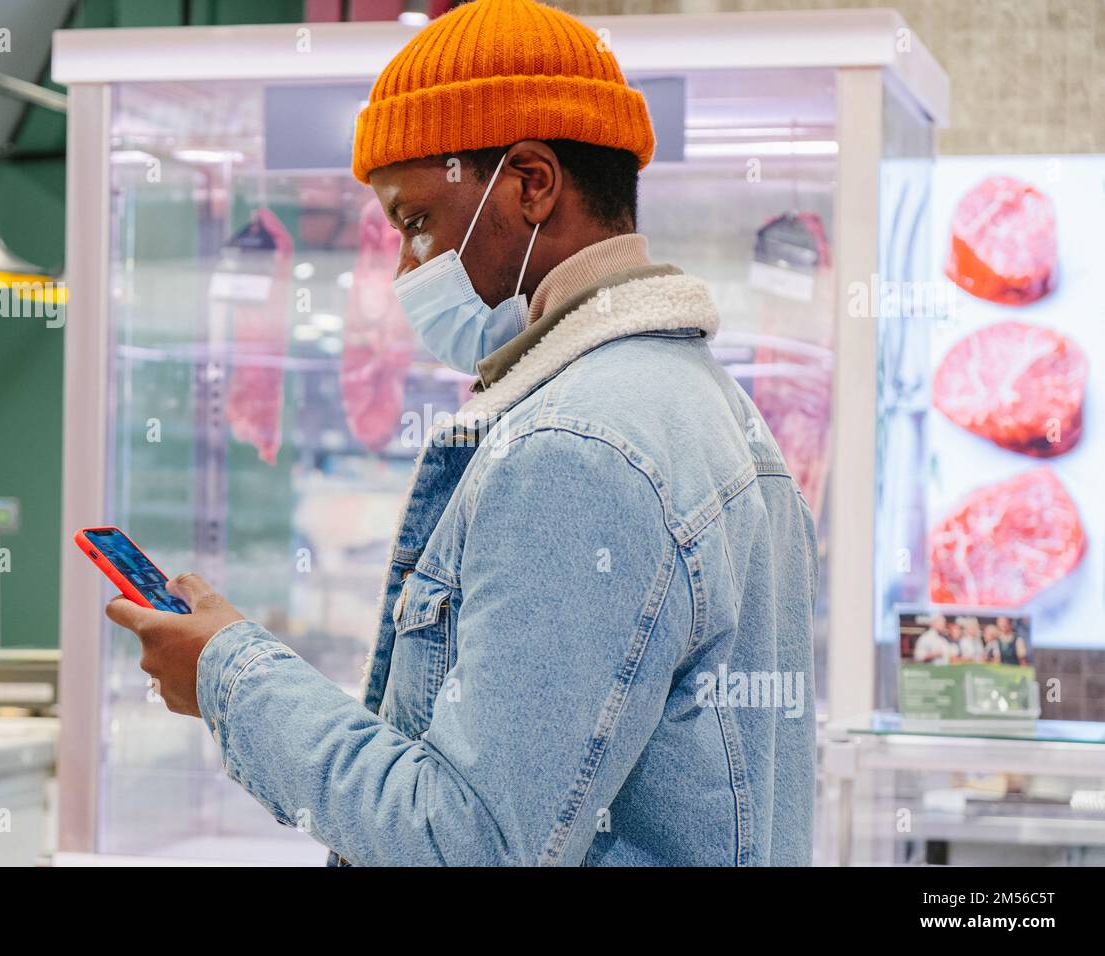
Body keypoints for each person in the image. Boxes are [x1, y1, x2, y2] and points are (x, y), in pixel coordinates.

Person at [106, 0, 818, 866]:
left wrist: (230, 679)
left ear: (530, 183)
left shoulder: (577, 451)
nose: (408, 269)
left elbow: (463, 840)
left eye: (416, 223)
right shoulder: (709, 407)